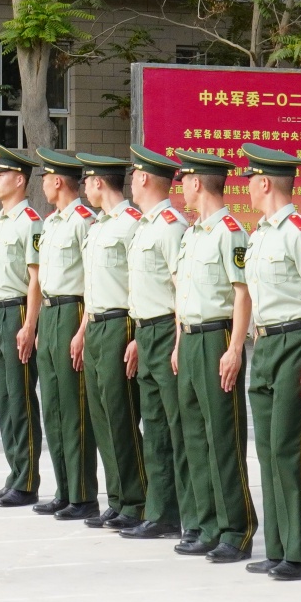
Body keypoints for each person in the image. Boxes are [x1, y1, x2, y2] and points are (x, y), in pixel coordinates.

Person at [238, 142, 301, 583]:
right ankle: (277, 547)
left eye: (251, 181)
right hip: (266, 345)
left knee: (291, 451)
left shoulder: (300, 231)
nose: (248, 189)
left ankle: (299, 552)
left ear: (265, 182)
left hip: (295, 342)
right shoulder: (259, 235)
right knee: (269, 451)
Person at [171, 151, 257, 563]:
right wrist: (176, 343)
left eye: (184, 179)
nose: (181, 187)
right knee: (195, 437)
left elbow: (242, 294)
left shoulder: (229, 232)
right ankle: (205, 524)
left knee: (223, 437)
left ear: (198, 184)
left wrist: (236, 348)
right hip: (189, 339)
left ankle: (235, 529)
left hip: (216, 339)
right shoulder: (192, 233)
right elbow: (182, 296)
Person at [73, 151, 147, 531]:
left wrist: (133, 333)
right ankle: (117, 498)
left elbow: (140, 282)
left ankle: (136, 499)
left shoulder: (131, 224)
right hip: (97, 324)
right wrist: (83, 330)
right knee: (101, 417)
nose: (84, 186)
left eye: (86, 180)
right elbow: (91, 286)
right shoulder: (99, 226)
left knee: (121, 416)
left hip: (120, 323)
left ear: (99, 182)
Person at [121, 145, 190, 542]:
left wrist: (177, 341)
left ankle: (181, 511)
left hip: (167, 330)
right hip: (147, 331)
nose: (132, 180)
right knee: (155, 424)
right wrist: (136, 337)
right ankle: (159, 508)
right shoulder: (147, 226)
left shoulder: (169, 226)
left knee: (175, 424)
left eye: (135, 174)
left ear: (145, 178)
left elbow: (182, 291)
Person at [32, 148, 100, 521]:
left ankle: (83, 493)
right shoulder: (53, 222)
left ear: (57, 181)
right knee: (54, 407)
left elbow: (93, 278)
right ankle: (63, 489)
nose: (42, 183)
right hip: (51, 312)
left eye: (44, 177)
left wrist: (84, 327)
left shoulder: (82, 221)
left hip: (74, 310)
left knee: (75, 410)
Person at [0, 145, 44, 509]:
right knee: (5, 400)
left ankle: (26, 480)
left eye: (1, 174)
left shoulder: (29, 222)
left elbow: (35, 279)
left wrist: (30, 325)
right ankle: (14, 473)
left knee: (20, 399)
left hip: (18, 312)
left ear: (20, 180)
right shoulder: (2, 222)